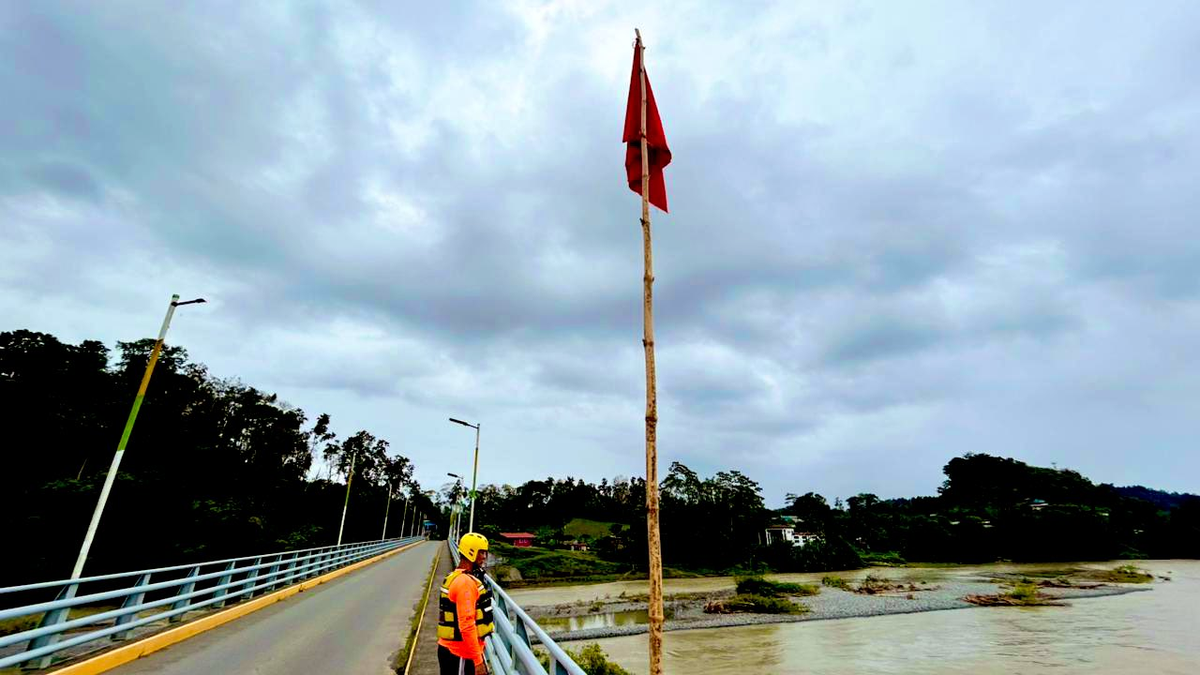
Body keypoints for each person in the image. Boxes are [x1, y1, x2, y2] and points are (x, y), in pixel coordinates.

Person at [437, 532, 493, 675]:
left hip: (456, 651)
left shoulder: (457, 576)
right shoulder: (465, 583)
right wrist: (478, 661)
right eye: (481, 552)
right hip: (459, 654)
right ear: (471, 552)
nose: (484, 557)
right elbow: (467, 625)